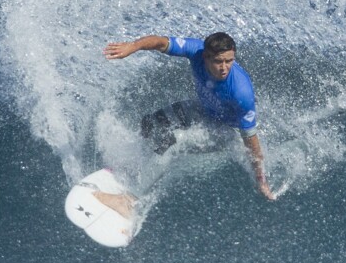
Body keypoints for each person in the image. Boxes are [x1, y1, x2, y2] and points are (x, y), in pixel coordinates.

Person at [103, 32, 275, 200]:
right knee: (150, 123)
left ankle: (133, 196)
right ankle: (133, 166)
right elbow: (160, 42)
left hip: (226, 131)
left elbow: (251, 142)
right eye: (218, 61)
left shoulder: (241, 92)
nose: (224, 68)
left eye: (229, 61)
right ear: (206, 57)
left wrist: (261, 180)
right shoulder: (196, 51)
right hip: (204, 109)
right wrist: (132, 47)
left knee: (170, 142)